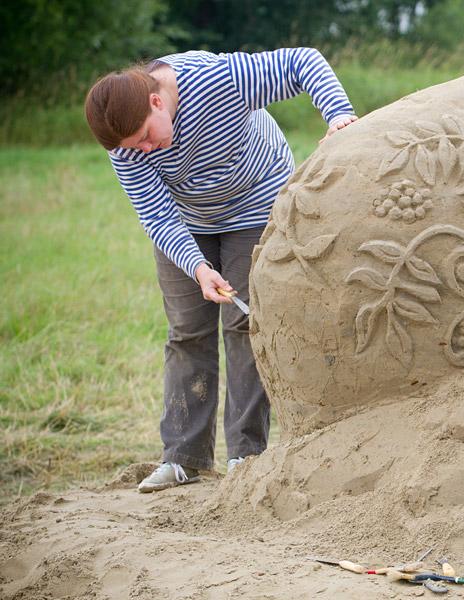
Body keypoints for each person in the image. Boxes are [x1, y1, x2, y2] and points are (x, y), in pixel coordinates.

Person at [84, 48, 357, 493]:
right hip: (188, 218)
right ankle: (183, 458)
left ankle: (245, 458)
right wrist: (196, 267)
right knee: (187, 331)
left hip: (254, 200)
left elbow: (302, 62)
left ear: (156, 102)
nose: (146, 150)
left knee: (243, 325)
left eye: (146, 138)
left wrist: (339, 116)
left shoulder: (216, 81)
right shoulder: (125, 146)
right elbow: (158, 217)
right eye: (136, 148)